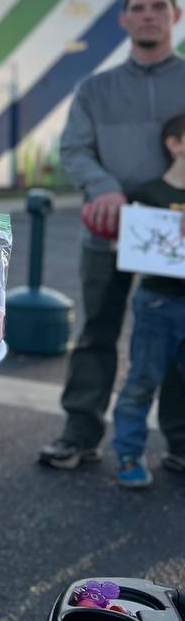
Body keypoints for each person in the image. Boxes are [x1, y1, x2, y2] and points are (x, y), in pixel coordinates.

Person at [40, 0, 185, 473]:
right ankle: (80, 433)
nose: (148, 15)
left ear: (175, 16)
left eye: (158, 7)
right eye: (138, 8)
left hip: (177, 237)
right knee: (97, 331)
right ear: (124, 20)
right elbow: (74, 150)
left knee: (178, 337)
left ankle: (180, 443)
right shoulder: (96, 89)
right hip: (109, 229)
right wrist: (104, 187)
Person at [109, 112, 185, 488]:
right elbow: (126, 245)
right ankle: (128, 454)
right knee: (142, 380)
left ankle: (179, 451)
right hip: (158, 302)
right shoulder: (147, 194)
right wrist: (126, 243)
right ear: (174, 143)